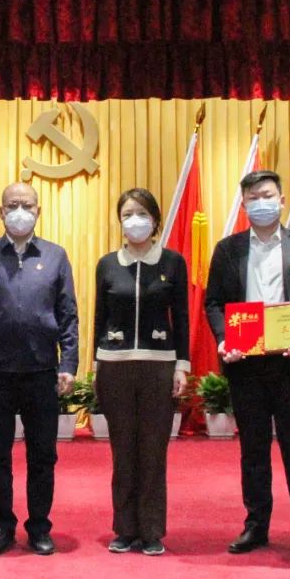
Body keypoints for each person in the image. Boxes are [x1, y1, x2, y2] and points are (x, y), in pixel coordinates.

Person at [205, 170, 290, 560]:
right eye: (253, 198)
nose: (261, 203)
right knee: (253, 451)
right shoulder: (228, 250)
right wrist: (224, 338)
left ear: (282, 200)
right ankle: (256, 525)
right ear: (244, 205)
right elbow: (214, 303)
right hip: (246, 366)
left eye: (267, 195)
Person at [0, 182, 79, 556]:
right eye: (12, 205)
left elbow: (68, 315)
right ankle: (2, 524)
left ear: (38, 212)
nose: (19, 212)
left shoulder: (56, 256)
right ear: (1, 212)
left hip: (41, 370)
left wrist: (69, 363)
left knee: (42, 454)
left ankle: (39, 526)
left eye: (27, 205)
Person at [93, 188, 189, 557]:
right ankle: (124, 528)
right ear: (119, 221)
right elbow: (100, 318)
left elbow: (182, 319)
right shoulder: (107, 264)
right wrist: (96, 365)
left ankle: (151, 530)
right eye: (128, 214)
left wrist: (182, 365)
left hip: (158, 366)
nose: (135, 221)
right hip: (115, 366)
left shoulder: (173, 263)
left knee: (152, 451)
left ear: (155, 219)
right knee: (123, 451)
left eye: (142, 214)